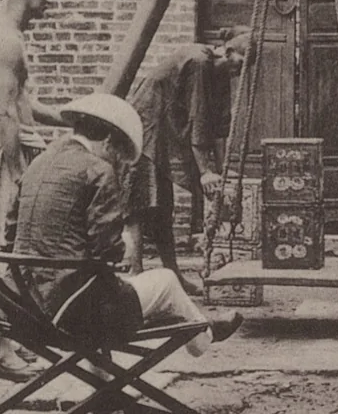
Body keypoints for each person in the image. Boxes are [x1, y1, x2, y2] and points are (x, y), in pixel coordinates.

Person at [13, 92, 242, 357]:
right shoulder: (96, 170)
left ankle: (105, 387)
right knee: (166, 281)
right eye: (118, 153)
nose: (116, 161)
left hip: (31, 304)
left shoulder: (38, 164)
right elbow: (108, 253)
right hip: (75, 311)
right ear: (109, 141)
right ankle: (204, 337)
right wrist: (128, 243)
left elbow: (12, 229)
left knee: (124, 287)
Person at [0, 0, 63, 380]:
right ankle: (4, 352)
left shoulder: (10, 37)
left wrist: (74, 117)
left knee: (7, 246)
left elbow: (24, 105)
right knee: (5, 248)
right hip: (6, 153)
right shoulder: (7, 40)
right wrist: (18, 175)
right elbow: (7, 113)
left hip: (14, 146)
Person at [120, 29, 251, 294]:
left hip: (166, 130)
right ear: (227, 52)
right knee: (140, 202)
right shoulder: (198, 63)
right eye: (242, 61)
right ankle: (135, 273)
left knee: (163, 206)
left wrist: (223, 172)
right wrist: (206, 172)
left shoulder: (221, 71)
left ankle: (173, 275)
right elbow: (198, 119)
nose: (242, 70)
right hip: (146, 129)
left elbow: (219, 126)